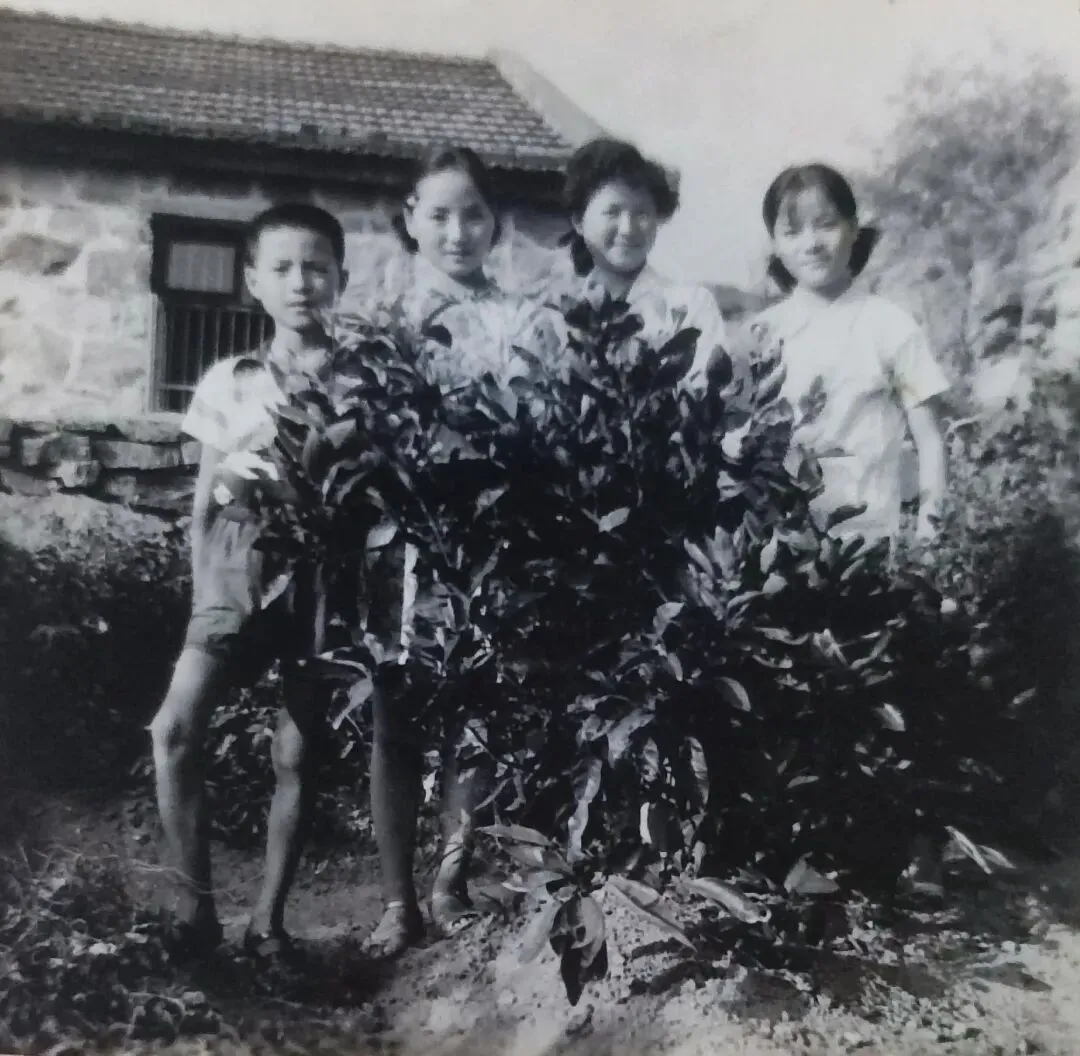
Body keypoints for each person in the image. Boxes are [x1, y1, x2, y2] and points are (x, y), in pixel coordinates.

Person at [361, 146, 561, 958]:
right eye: (439, 214)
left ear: (495, 223)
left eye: (473, 214)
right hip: (399, 544)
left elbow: (539, 433)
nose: (457, 231)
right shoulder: (382, 319)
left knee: (474, 716)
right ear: (411, 218)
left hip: (487, 545)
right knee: (395, 716)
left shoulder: (520, 321)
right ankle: (395, 899)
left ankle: (450, 884)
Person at [148, 202, 350, 961]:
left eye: (317, 267)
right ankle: (193, 911)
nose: (302, 283)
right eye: (283, 268)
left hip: (323, 569)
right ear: (253, 282)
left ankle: (269, 924)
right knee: (174, 729)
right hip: (238, 564)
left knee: (297, 752)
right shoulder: (229, 380)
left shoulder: (365, 380)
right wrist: (207, 587)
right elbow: (204, 503)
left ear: (340, 278)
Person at [754, 162, 949, 543]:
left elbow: (929, 440)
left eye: (826, 225)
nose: (811, 243)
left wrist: (929, 536)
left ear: (854, 228)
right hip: (778, 546)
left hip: (868, 542)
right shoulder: (762, 333)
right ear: (775, 244)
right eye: (792, 232)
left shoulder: (891, 326)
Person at [548, 137, 731, 389]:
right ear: (579, 222)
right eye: (612, 212)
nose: (628, 228)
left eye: (641, 213)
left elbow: (711, 397)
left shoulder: (691, 306)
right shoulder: (558, 312)